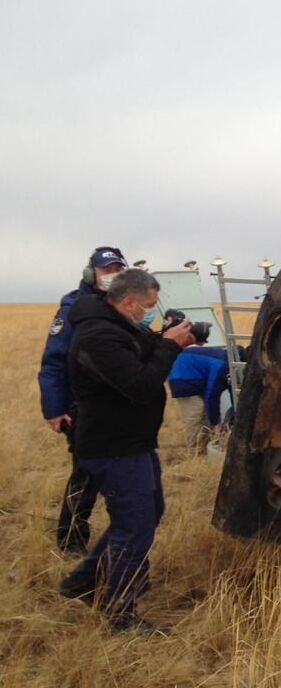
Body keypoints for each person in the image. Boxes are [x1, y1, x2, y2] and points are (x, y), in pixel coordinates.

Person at [57, 269, 196, 632]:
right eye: (149, 306)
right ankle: (120, 611)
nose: (151, 311)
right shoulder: (98, 336)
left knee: (149, 512)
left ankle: (83, 582)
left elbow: (142, 353)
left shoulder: (119, 327)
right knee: (135, 527)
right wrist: (169, 346)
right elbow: (140, 384)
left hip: (132, 442)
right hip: (112, 446)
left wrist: (166, 336)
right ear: (130, 303)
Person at [38, 246, 129, 555]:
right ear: (92, 274)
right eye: (106, 270)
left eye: (118, 269)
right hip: (82, 409)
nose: (112, 275)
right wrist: (54, 409)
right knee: (86, 475)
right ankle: (71, 540)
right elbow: (53, 362)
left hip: (116, 407)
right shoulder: (73, 308)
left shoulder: (123, 308)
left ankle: (124, 538)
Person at [168, 345, 232, 453]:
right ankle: (194, 452)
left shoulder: (229, 363)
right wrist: (216, 422)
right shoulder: (222, 366)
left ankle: (203, 449)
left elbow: (232, 396)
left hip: (196, 375)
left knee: (205, 415)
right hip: (182, 377)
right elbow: (211, 395)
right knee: (196, 413)